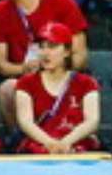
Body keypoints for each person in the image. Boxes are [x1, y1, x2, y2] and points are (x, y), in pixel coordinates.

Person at [13, 21, 101, 155]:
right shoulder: (26, 83)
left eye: (52, 46)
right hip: (40, 144)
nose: (45, 53)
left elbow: (92, 120)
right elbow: (25, 121)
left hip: (77, 144)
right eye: (42, 47)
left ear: (66, 51)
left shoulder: (86, 83)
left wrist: (66, 142)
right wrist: (50, 143)